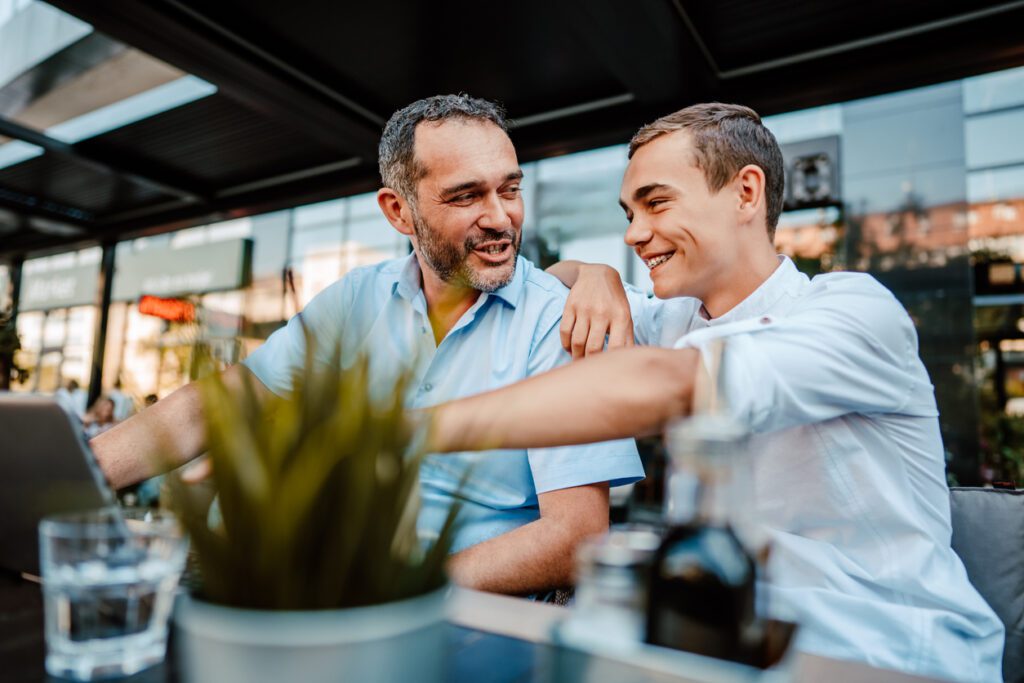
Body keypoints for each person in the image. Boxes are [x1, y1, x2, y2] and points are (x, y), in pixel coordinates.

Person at [429, 103, 1003, 681]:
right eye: (629, 213)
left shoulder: (853, 310)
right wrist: (591, 271)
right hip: (723, 644)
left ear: (746, 193)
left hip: (885, 647)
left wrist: (414, 430)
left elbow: (664, 383)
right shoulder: (677, 320)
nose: (634, 234)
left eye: (656, 203)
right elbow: (549, 293)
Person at [90, 94, 642, 597]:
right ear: (398, 211)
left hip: (465, 617)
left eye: (510, 189)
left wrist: (388, 592)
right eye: (467, 195)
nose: (500, 217)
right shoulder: (357, 298)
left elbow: (575, 537)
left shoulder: (559, 320)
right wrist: (79, 473)